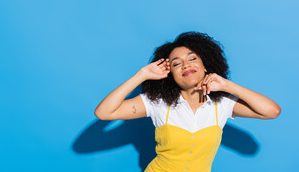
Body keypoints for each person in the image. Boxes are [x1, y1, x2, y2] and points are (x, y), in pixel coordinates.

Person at [94, 31, 281, 172]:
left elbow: (272, 111)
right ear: (170, 74)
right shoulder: (157, 103)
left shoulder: (223, 104)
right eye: (176, 63)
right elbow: (104, 113)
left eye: (192, 58)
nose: (186, 65)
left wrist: (227, 85)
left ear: (205, 64)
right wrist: (141, 76)